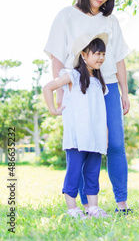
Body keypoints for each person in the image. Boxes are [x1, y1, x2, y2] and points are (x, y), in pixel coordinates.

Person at [44, 0, 132, 214]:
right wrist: (62, 96)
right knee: (83, 145)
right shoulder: (66, 15)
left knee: (115, 144)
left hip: (110, 86)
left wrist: (124, 93)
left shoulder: (111, 20)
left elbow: (120, 59)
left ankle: (121, 203)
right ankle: (86, 205)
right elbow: (57, 58)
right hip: (79, 87)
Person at [43, 33, 111, 219]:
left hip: (95, 138)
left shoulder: (99, 82)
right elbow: (48, 87)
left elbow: (100, 113)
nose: (101, 58)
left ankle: (92, 208)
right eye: (96, 53)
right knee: (74, 172)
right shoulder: (72, 75)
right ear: (83, 54)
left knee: (92, 173)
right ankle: (72, 209)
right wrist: (53, 110)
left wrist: (104, 135)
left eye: (103, 54)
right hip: (77, 137)